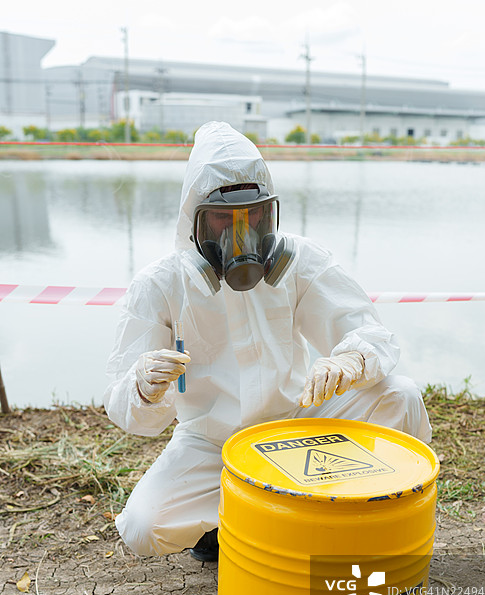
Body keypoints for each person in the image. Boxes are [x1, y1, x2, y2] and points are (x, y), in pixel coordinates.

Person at [104, 120, 432, 562]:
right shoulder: (161, 285)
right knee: (145, 528)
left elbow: (370, 333)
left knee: (401, 396)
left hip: (299, 420)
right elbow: (130, 413)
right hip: (211, 442)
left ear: (269, 209)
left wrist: (351, 361)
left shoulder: (300, 261)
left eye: (254, 213)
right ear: (194, 219)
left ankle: (366, 512)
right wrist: (144, 386)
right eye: (223, 217)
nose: (242, 230)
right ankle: (226, 526)